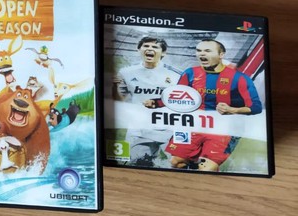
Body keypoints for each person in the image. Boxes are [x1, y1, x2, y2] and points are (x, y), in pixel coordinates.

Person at [161, 38, 263, 171]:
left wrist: (232, 110)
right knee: (176, 162)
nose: (202, 54)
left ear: (221, 55)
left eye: (207, 51)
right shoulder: (190, 73)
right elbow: (177, 99)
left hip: (223, 130)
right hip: (194, 126)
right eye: (199, 51)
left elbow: (256, 107)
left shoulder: (240, 78)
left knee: (207, 169)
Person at [112, 36, 180, 167]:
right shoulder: (126, 72)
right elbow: (120, 101)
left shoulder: (176, 75)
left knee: (178, 165)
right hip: (138, 128)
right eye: (146, 46)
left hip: (168, 128)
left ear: (163, 53)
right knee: (135, 165)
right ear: (138, 50)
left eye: (155, 47)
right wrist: (114, 86)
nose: (150, 49)